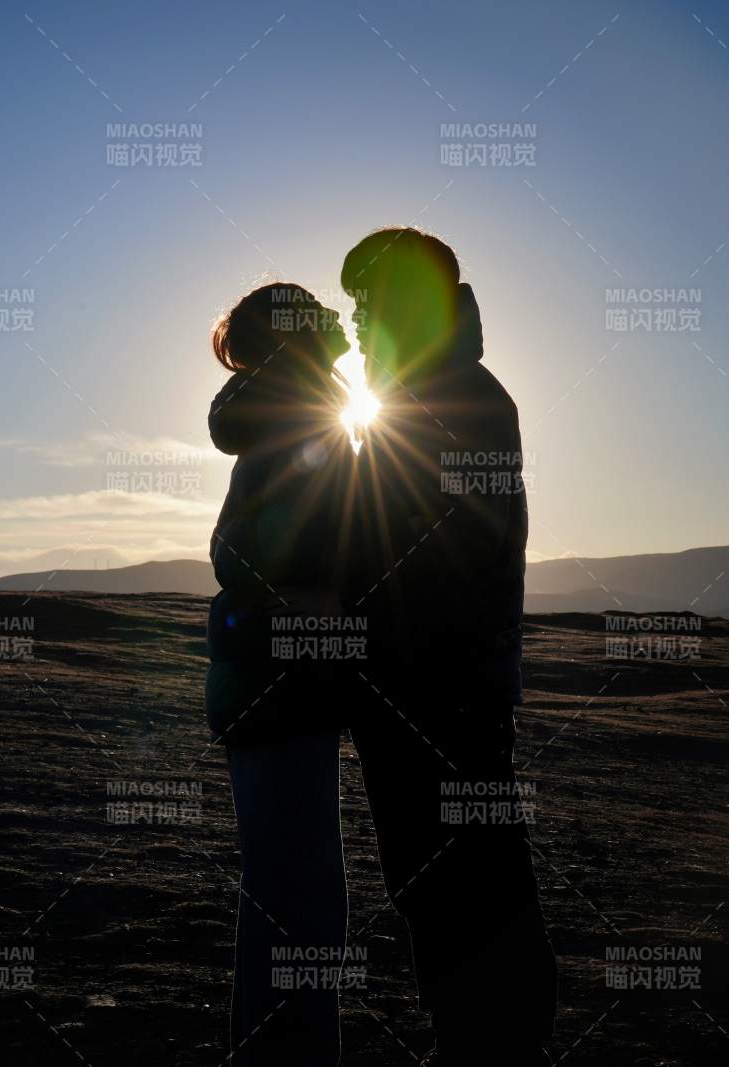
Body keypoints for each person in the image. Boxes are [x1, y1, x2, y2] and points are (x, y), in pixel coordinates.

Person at [340, 228, 556, 1064]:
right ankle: (474, 1035)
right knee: (437, 875)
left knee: (466, 873)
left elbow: (453, 547)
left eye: (368, 302)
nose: (356, 320)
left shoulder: (461, 398)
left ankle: (494, 1040)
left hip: (442, 691)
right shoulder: (421, 394)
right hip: (417, 687)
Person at [205, 282, 358, 1065]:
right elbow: (244, 550)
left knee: (289, 890)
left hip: (281, 686)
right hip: (282, 685)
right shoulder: (298, 414)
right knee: (298, 895)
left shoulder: (294, 412)